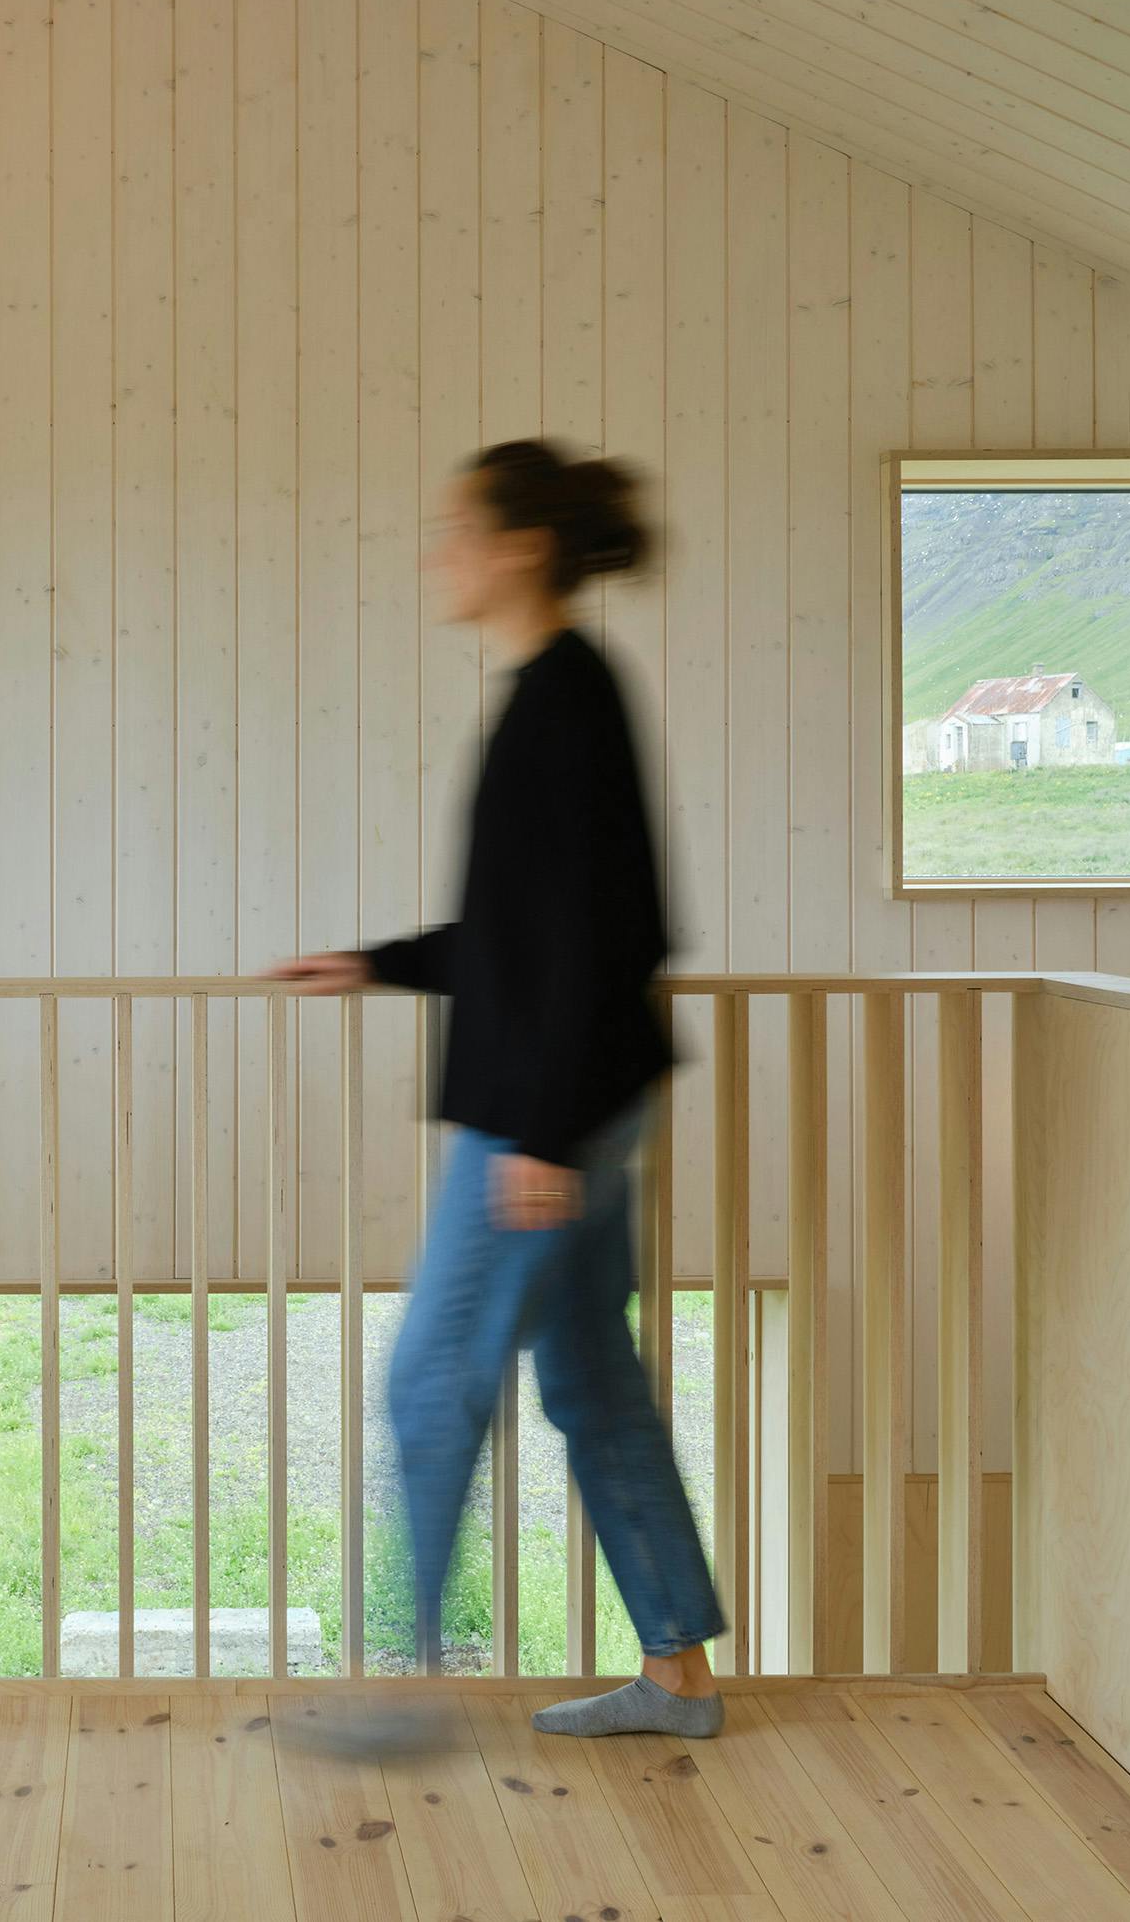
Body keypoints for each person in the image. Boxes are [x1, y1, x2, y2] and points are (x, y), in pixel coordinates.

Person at [269, 437, 725, 1744]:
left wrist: (542, 1133)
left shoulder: (564, 702)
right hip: (571, 1102)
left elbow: (611, 939)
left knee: (429, 1380)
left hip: (546, 1115)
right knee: (591, 1379)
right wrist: (373, 961)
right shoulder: (556, 693)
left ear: (519, 546)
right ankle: (678, 1675)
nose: (438, 554)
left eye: (455, 529)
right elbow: (519, 934)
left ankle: (403, 1691)